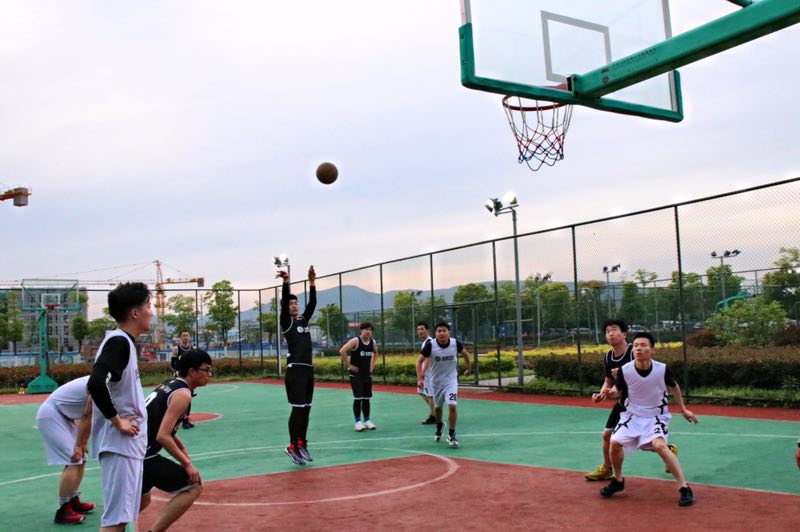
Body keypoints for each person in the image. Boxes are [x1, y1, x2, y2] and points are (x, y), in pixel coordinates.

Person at [601, 332, 699, 507]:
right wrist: (609, 393)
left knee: (659, 446)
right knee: (614, 443)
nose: (638, 348)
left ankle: (684, 488)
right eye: (636, 345)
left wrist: (683, 409)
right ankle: (617, 480)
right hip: (632, 416)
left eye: (643, 345)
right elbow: (617, 391)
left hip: (656, 416)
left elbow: (674, 386)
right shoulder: (625, 370)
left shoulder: (662, 369)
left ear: (652, 350)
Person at [87, 282, 151, 532]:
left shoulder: (124, 343)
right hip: (120, 445)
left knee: (122, 518)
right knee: (115, 520)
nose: (151, 312)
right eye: (148, 306)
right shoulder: (118, 343)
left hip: (127, 446)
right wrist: (117, 421)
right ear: (135, 312)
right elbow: (95, 383)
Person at [139, 349, 211, 532]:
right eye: (206, 370)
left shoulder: (170, 384)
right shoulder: (182, 394)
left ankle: (115, 525)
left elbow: (160, 424)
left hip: (134, 450)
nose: (209, 374)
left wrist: (181, 448)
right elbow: (162, 435)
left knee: (143, 499)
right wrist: (187, 464)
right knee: (194, 486)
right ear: (192, 371)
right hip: (143, 455)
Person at [35, 375, 97, 525]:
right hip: (51, 414)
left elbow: (90, 415)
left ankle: (72, 500)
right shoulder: (100, 381)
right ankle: (63, 510)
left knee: (81, 458)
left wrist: (82, 443)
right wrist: (80, 443)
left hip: (64, 416)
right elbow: (87, 415)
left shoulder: (106, 378)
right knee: (73, 459)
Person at [585, 319, 634, 481]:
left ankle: (667, 449)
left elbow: (645, 372)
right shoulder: (608, 357)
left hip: (639, 403)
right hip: (622, 402)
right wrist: (601, 394)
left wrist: (624, 373)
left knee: (642, 441)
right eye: (607, 331)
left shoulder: (634, 352)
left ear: (624, 334)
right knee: (607, 435)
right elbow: (608, 381)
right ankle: (607, 469)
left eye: (614, 330)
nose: (610, 334)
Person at [278, 265, 316, 466]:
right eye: (290, 303)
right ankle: (292, 446)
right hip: (295, 371)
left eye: (296, 303)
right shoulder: (287, 323)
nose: (294, 306)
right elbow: (285, 301)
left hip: (308, 369)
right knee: (298, 409)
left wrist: (312, 282)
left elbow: (313, 304)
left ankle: (302, 443)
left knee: (306, 409)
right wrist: (286, 283)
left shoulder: (302, 320)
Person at [417, 321, 471, 447]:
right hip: (436, 382)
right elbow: (419, 361)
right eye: (439, 331)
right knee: (437, 408)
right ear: (435, 333)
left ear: (449, 332)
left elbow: (466, 355)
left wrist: (469, 369)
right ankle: (439, 424)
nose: (442, 333)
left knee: (452, 405)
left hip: (451, 380)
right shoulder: (430, 345)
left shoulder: (455, 343)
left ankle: (452, 434)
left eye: (444, 331)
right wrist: (420, 379)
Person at [339, 322, 378, 431]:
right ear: (361, 330)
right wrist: (349, 365)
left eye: (370, 330)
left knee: (366, 398)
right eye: (365, 329)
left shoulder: (373, 342)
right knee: (358, 397)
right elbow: (342, 351)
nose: (368, 331)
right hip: (356, 374)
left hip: (367, 374)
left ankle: (367, 420)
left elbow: (376, 353)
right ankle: (358, 422)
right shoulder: (356, 341)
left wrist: (372, 366)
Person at [170, 329, 196, 430]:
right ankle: (175, 420)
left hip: (190, 377)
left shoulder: (193, 349)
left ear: (190, 337)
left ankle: (186, 420)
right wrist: (176, 371)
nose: (185, 337)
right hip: (180, 377)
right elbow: (172, 363)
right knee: (180, 399)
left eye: (187, 335)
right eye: (183, 335)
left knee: (188, 398)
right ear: (181, 337)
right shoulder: (176, 349)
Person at [415, 322, 436, 425]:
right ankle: (435, 411)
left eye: (422, 329)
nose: (420, 331)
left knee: (430, 395)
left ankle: (434, 416)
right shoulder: (425, 342)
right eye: (418, 329)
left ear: (428, 330)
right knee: (421, 391)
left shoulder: (429, 342)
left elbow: (428, 359)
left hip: (429, 374)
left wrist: (422, 373)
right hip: (427, 374)